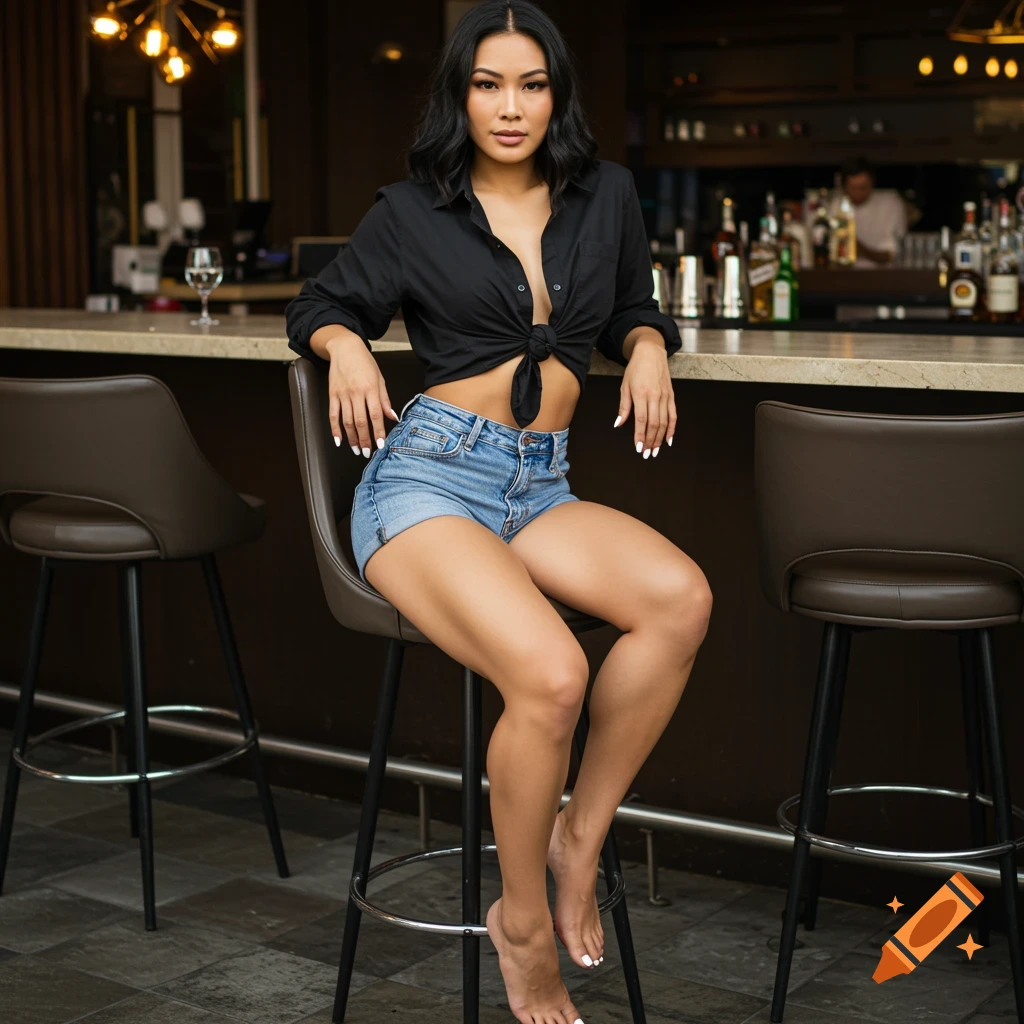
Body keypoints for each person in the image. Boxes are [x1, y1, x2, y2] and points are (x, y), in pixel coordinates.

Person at [285, 3, 712, 1022]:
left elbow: (630, 307)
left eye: (529, 83)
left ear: (555, 94)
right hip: (427, 480)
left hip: (538, 481)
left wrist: (649, 344)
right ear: (459, 96)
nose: (509, 106)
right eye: (487, 84)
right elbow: (320, 305)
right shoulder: (410, 209)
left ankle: (576, 837)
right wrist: (344, 345)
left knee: (679, 598)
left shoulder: (603, 194)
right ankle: (521, 924)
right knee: (554, 673)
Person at [830, 156, 907, 268]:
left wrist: (857, 248)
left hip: (884, 277)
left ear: (872, 183)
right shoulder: (838, 205)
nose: (858, 193)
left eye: (863, 187)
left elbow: (893, 255)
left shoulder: (890, 204)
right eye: (853, 187)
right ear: (845, 187)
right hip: (843, 277)